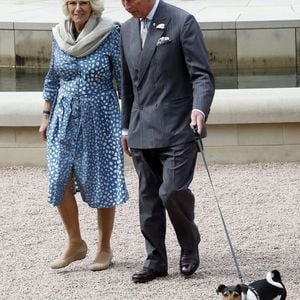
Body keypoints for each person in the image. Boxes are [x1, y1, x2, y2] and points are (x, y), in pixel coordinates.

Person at [120, 0, 215, 283]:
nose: (126, 5)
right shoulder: (125, 30)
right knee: (148, 199)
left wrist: (199, 109)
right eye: (121, 0)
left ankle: (189, 245)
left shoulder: (181, 21)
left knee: (171, 191)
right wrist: (125, 128)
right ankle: (155, 260)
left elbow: (202, 76)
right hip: (140, 130)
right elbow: (126, 85)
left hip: (179, 127)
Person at [38, 0, 128, 271]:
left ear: (93, 6)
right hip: (63, 116)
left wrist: (131, 120)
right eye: (73, 2)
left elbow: (123, 80)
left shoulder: (110, 33)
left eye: (84, 2)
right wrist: (45, 115)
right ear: (67, 6)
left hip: (100, 116)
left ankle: (104, 247)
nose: (78, 8)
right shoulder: (58, 35)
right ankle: (75, 242)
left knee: (103, 179)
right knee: (58, 178)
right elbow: (53, 77)